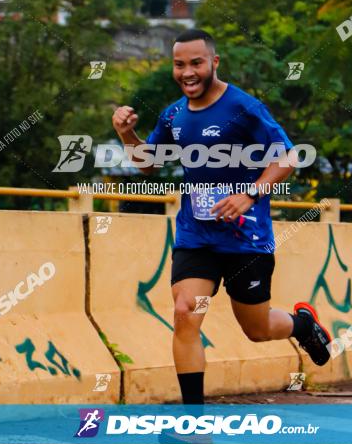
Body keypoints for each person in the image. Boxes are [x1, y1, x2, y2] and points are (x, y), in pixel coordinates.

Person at [112, 29, 331, 421]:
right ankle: (192, 420)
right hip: (196, 239)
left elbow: (287, 157)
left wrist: (249, 193)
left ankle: (302, 324)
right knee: (185, 313)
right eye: (179, 64)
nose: (187, 72)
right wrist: (127, 133)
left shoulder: (244, 108)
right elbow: (149, 163)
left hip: (247, 241)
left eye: (196, 63)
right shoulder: (174, 114)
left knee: (257, 328)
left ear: (214, 63)